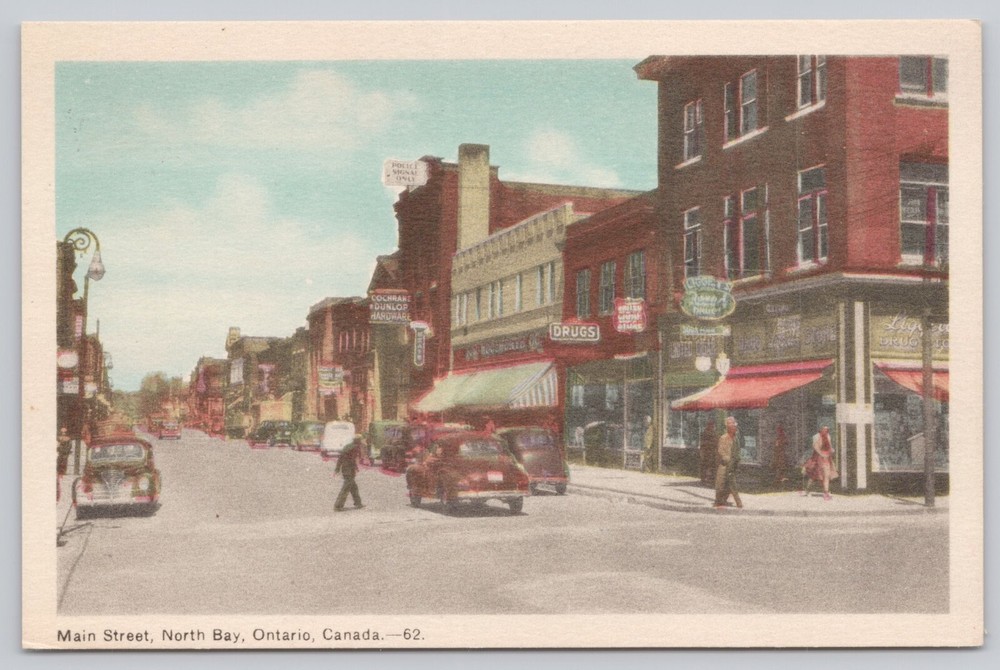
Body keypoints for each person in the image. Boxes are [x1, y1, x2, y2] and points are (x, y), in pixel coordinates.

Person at [801, 425, 838, 500]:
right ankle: (807, 490)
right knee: (813, 475)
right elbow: (815, 447)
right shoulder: (816, 436)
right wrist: (821, 454)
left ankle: (826, 492)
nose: (825, 430)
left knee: (826, 475)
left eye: (827, 429)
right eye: (824, 428)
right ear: (820, 429)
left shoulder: (828, 436)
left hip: (826, 457)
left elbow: (829, 446)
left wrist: (831, 450)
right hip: (818, 458)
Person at [714, 416, 743, 509]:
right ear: (727, 427)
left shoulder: (736, 439)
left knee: (730, 483)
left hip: (733, 464)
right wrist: (727, 459)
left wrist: (737, 460)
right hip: (724, 464)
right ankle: (718, 500)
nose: (733, 427)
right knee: (720, 482)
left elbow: (738, 451)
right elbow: (720, 450)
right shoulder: (723, 438)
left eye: (734, 425)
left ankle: (732, 501)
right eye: (730, 425)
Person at [334, 436, 365, 511]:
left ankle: (358, 503)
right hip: (349, 470)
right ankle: (338, 505)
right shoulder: (355, 448)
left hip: (345, 469)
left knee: (354, 487)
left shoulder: (347, 447)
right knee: (346, 488)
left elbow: (340, 458)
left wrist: (337, 469)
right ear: (358, 442)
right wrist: (355, 468)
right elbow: (352, 460)